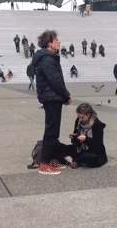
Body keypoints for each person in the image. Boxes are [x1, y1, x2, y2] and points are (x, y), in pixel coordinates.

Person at [32, 30, 72, 175]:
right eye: (57, 40)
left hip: (52, 97)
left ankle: (51, 160)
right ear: (50, 43)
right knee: (51, 131)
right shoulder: (48, 59)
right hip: (51, 97)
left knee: (54, 131)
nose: (59, 43)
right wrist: (66, 96)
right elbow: (56, 82)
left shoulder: (49, 58)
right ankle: (44, 164)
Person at [66, 103, 108, 168]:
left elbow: (98, 144)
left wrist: (86, 139)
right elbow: (75, 142)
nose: (80, 119)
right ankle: (76, 160)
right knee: (62, 148)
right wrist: (73, 137)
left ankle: (76, 161)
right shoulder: (78, 121)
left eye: (82, 117)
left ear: (88, 115)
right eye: (78, 117)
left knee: (87, 156)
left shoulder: (97, 125)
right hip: (81, 149)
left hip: (94, 152)